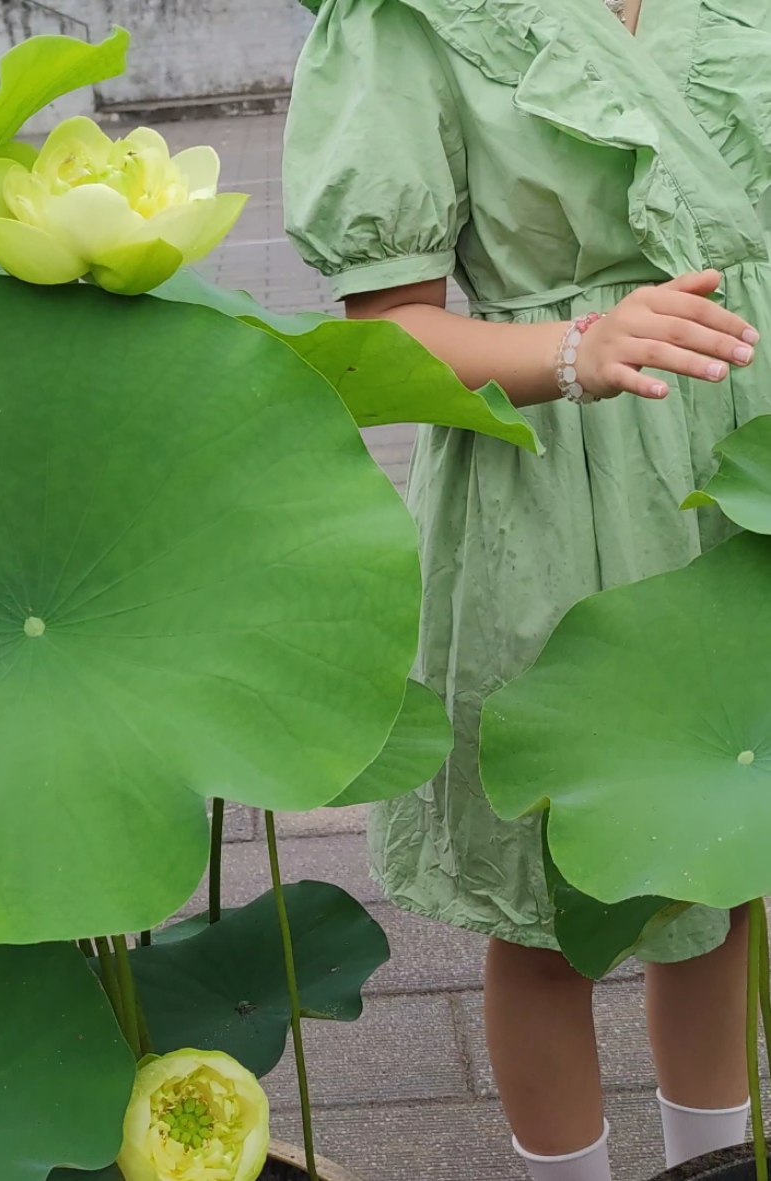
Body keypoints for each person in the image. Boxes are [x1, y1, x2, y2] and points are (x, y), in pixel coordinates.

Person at [284, 0, 768, 1178]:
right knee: (550, 907)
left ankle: (711, 1164)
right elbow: (384, 337)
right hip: (558, 479)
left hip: (742, 452)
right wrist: (575, 348)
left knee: (726, 878)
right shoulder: (406, 21)